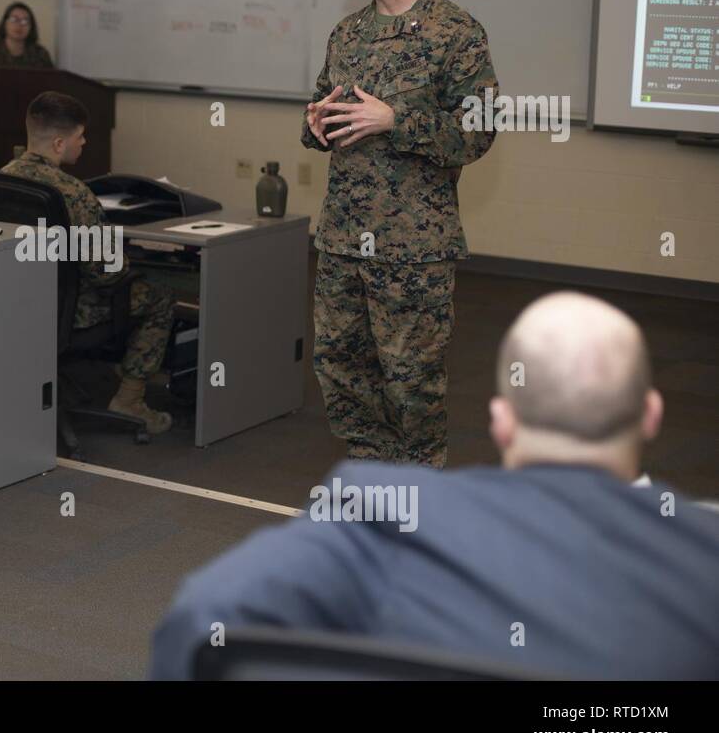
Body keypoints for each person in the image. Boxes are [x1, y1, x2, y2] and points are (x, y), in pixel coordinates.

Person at [150, 291, 719, 680]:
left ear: (502, 420)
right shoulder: (702, 550)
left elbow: (204, 621)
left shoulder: (376, 512)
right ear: (650, 415)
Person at [302, 0, 499, 469]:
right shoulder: (348, 33)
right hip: (343, 236)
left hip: (412, 246)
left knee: (411, 379)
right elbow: (323, 109)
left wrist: (398, 121)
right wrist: (317, 126)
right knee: (340, 364)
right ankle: (370, 471)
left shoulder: (454, 32)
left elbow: (479, 132)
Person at [2, 91, 174, 434]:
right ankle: (129, 397)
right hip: (67, 312)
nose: (85, 143)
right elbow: (106, 272)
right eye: (80, 137)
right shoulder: (73, 192)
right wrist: (135, 262)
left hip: (11, 306)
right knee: (160, 297)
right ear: (59, 143)